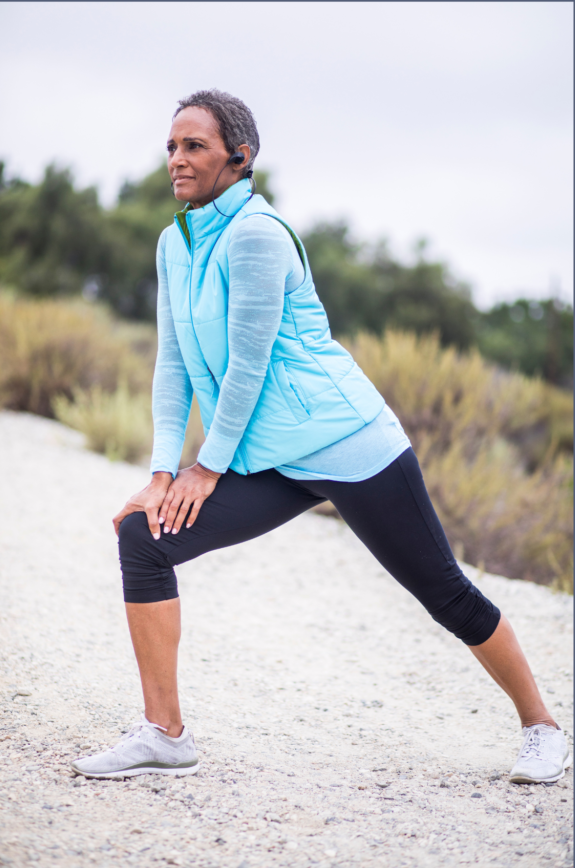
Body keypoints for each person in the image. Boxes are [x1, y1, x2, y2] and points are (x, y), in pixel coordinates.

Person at [72, 89, 570, 785]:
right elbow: (175, 362)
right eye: (171, 147)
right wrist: (162, 472)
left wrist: (204, 468)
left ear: (240, 158)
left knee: (444, 593)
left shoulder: (255, 233)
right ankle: (165, 734)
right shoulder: (174, 240)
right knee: (143, 537)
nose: (176, 160)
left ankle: (542, 727)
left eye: (195, 147)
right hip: (268, 455)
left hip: (347, 443)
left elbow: (246, 366)